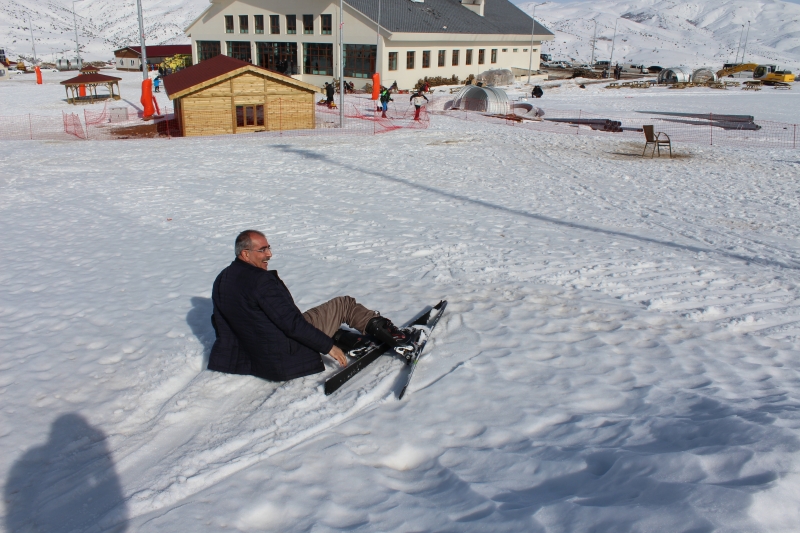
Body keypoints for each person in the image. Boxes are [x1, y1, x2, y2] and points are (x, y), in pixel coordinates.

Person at [208, 230, 418, 382]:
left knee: (315, 320)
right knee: (343, 304)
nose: (269, 254)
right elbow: (292, 324)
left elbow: (220, 322)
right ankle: (401, 339)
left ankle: (351, 340)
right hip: (283, 356)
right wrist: (328, 348)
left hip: (253, 355)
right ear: (245, 254)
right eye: (262, 250)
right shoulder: (261, 282)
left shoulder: (222, 279)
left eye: (268, 248)